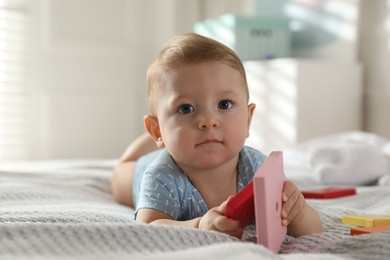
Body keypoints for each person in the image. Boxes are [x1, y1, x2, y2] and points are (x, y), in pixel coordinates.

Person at [111, 32, 323, 239]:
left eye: (224, 104)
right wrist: (199, 225)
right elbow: (149, 228)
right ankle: (143, 147)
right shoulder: (161, 176)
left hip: (171, 142)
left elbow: (312, 229)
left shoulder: (257, 168)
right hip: (143, 168)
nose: (208, 121)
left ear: (248, 119)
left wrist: (299, 212)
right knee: (122, 174)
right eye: (186, 108)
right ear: (157, 130)